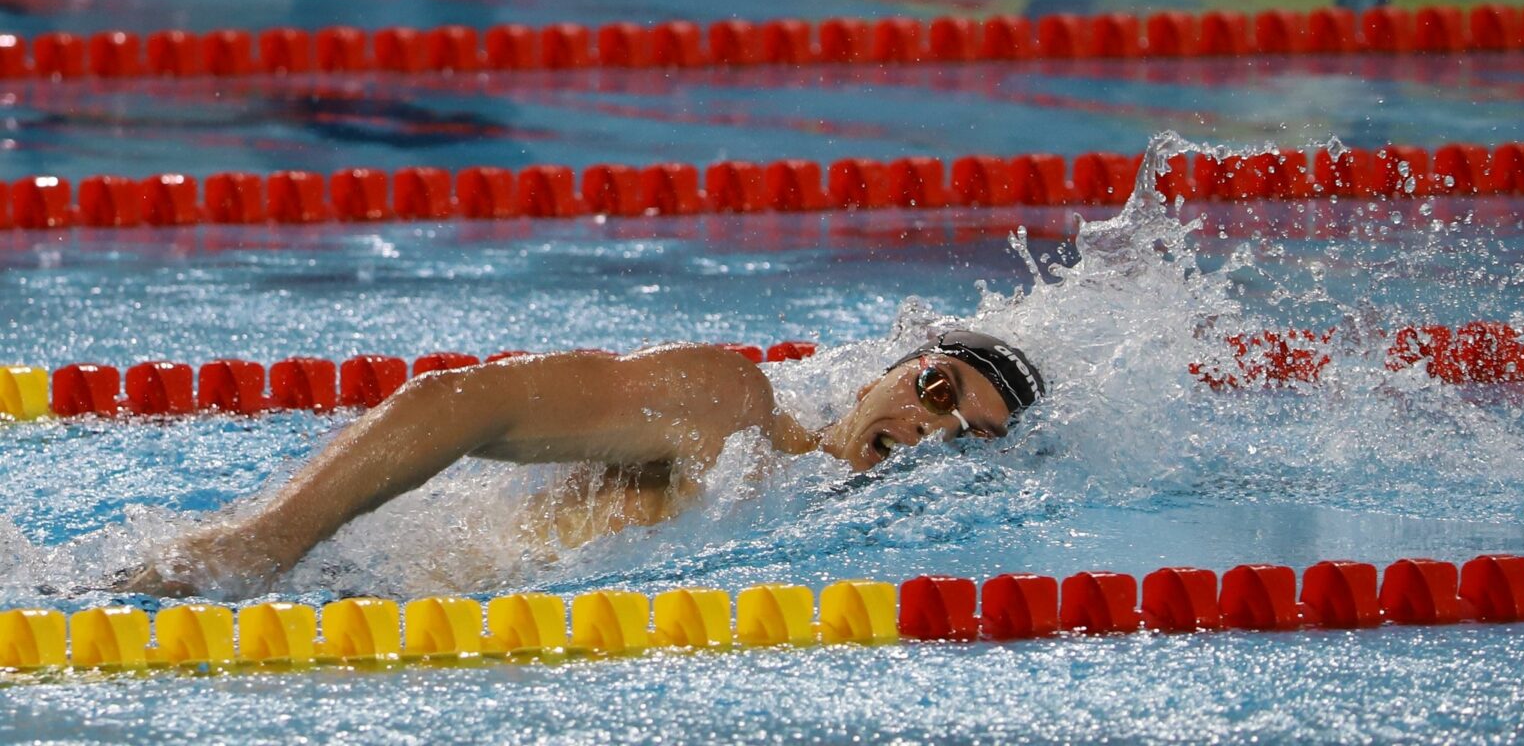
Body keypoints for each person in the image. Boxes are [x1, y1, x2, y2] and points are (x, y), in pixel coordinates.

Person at [121, 330, 1044, 597]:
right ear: (890, 367)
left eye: (974, 434)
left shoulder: (836, 544)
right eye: (938, 390)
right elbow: (453, 403)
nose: (938, 430)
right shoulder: (731, 411)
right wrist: (266, 541)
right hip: (322, 602)